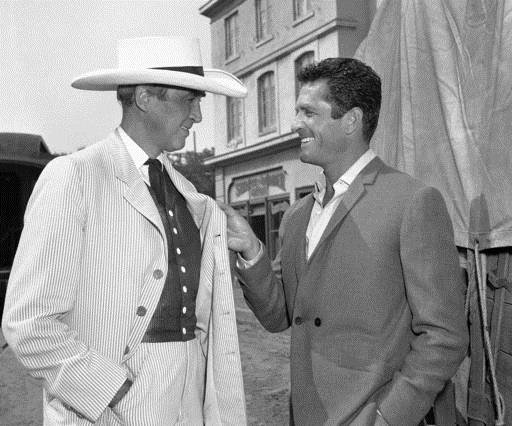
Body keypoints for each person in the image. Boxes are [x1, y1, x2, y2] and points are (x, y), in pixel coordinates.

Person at [2, 36, 247, 425]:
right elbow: (29, 322)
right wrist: (110, 390)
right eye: (189, 100)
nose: (198, 115)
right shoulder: (75, 177)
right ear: (146, 98)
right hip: (110, 403)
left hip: (190, 399)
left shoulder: (193, 198)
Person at [221, 57, 468, 425]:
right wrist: (252, 251)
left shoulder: (412, 202)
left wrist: (387, 417)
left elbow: (444, 335)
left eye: (309, 112)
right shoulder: (297, 216)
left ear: (351, 120)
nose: (295, 124)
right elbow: (279, 317)